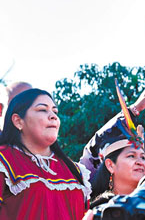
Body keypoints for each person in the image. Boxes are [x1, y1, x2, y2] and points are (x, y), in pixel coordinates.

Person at [0, 88, 90, 219]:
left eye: (55, 111)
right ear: (18, 121)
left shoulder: (75, 170)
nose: (53, 116)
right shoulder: (4, 160)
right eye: (42, 109)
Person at [80, 84, 145, 203]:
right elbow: (93, 150)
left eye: (143, 157)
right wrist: (134, 109)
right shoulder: (89, 207)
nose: (140, 162)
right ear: (110, 165)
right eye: (131, 156)